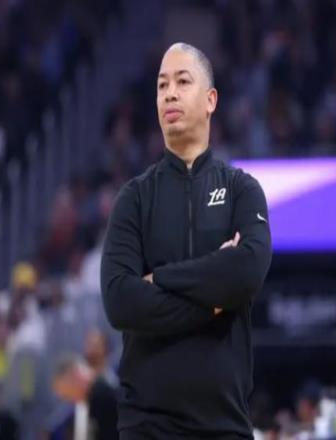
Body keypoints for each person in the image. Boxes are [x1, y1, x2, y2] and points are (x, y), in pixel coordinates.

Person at [100, 42, 272, 439]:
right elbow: (121, 301)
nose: (170, 94)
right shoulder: (133, 198)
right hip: (146, 427)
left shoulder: (242, 190)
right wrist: (214, 301)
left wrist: (159, 279)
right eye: (162, 86)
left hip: (225, 425)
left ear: (211, 100)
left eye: (182, 81)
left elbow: (246, 272)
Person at [52, 354, 119, 440]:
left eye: (67, 395)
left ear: (75, 377)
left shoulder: (103, 395)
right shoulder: (89, 400)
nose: (70, 401)